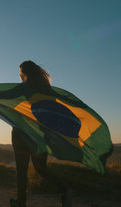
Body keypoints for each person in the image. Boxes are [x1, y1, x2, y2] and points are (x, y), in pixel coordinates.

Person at [9, 60, 73, 207]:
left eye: (21, 73)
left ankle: (21, 202)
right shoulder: (48, 90)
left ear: (24, 73)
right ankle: (65, 189)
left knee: (21, 169)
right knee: (41, 168)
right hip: (40, 135)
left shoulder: (23, 88)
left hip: (21, 132)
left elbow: (4, 95)